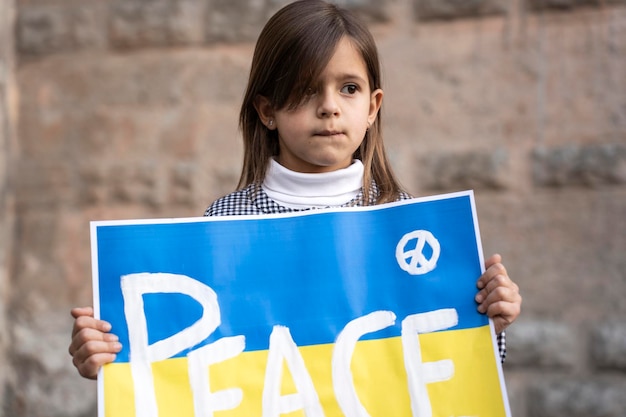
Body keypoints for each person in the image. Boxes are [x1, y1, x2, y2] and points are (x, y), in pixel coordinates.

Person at [69, 0, 522, 380]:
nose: (329, 107)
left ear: (372, 106)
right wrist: (111, 359)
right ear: (267, 110)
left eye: (348, 88)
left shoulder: (403, 221)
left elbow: (443, 375)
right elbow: (187, 375)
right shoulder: (225, 224)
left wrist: (491, 327)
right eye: (306, 90)